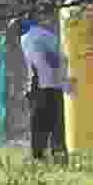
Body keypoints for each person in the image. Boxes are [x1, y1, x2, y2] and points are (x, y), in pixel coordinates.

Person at [17, 13, 68, 160]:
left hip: (42, 86)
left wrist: (31, 87)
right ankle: (58, 156)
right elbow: (59, 59)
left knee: (39, 124)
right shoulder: (48, 35)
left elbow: (36, 65)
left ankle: (39, 156)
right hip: (56, 85)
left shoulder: (27, 38)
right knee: (57, 124)